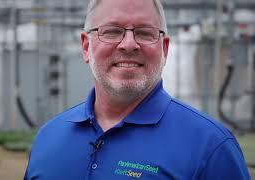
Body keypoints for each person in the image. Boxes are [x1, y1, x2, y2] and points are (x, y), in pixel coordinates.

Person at [24, 0, 251, 179]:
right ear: (86, 47)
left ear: (164, 48)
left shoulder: (211, 148)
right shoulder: (48, 138)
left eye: (144, 32)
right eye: (112, 31)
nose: (129, 44)